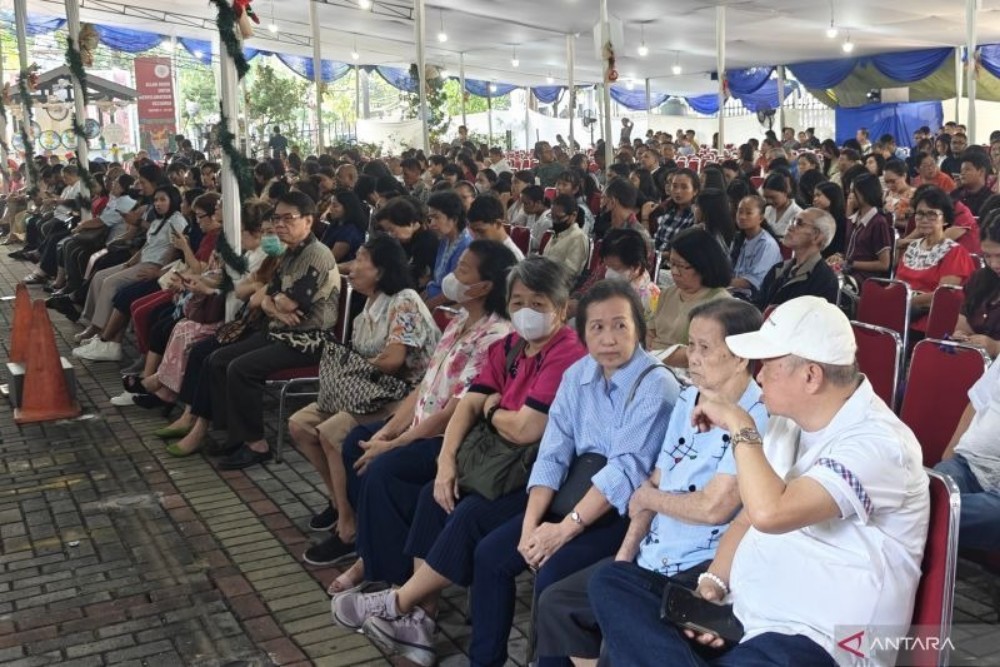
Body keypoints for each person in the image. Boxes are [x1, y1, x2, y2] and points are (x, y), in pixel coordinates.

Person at [593, 296, 930, 667]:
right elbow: (746, 519)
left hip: (815, 640)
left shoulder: (880, 444)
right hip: (745, 616)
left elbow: (771, 512)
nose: (759, 375)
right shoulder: (789, 423)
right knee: (613, 583)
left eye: (769, 365)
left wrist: (740, 425)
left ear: (811, 376)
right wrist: (713, 587)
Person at [331, 257, 586, 665]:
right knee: (435, 493)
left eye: (538, 304)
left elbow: (525, 430)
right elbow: (465, 406)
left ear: (560, 307)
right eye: (518, 301)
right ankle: (419, 620)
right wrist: (446, 463)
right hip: (493, 463)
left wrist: (489, 411)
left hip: (536, 473)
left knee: (470, 518)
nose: (526, 312)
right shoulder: (509, 347)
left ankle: (400, 603)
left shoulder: (566, 354)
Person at [537, 299, 768, 665]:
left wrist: (647, 498)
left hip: (700, 566)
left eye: (704, 348)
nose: (692, 357)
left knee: (621, 632)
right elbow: (657, 478)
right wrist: (625, 556)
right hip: (652, 554)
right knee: (557, 602)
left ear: (740, 357)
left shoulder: (757, 418)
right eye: (690, 345)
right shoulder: (689, 398)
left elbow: (714, 507)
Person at [327, 240, 519, 593]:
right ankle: (374, 555)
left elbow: (456, 410)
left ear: (484, 286)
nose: (451, 276)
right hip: (422, 425)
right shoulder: (459, 320)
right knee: (357, 443)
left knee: (386, 468)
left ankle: (391, 575)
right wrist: (389, 431)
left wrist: (397, 443)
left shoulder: (497, 335)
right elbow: (426, 386)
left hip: (452, 440)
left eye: (462, 270)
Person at [290, 235, 441, 565]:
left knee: (331, 433)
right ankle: (339, 501)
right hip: (369, 390)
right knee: (300, 425)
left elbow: (393, 361)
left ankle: (348, 529)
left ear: (382, 270)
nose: (352, 267)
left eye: (361, 260)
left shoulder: (404, 301)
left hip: (402, 396)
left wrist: (349, 367)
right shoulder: (367, 307)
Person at [209, 191, 340, 470]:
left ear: (308, 220)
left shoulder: (315, 254)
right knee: (218, 359)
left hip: (309, 341)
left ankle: (257, 445)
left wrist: (275, 300)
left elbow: (292, 302)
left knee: (241, 368)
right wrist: (273, 303)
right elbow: (268, 296)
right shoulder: (289, 253)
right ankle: (236, 435)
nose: (280, 225)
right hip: (282, 333)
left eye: (287, 219)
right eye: (276, 218)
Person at [70, 184, 187, 361]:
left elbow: (174, 250)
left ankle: (100, 330)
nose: (158, 203)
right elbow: (148, 244)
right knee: (99, 276)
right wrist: (130, 261)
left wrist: (159, 270)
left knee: (110, 283)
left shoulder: (177, 220)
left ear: (174, 201)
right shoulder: (158, 220)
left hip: (153, 266)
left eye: (163, 199)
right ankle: (93, 324)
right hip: (142, 261)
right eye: (156, 200)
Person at [935, 345, 1000, 548]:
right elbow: (976, 402)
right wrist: (951, 451)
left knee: (931, 508)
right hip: (968, 464)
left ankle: (910, 519)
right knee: (938, 485)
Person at [647, 228, 733, 367]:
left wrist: (659, 358)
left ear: (702, 266)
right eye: (672, 264)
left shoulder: (720, 304)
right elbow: (650, 331)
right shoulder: (667, 293)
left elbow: (707, 351)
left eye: (681, 266)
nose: (674, 272)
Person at [895, 186, 976, 331]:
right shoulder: (912, 247)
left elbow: (942, 296)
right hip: (901, 313)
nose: (924, 219)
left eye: (932, 214)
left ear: (945, 219)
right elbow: (896, 285)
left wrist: (905, 302)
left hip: (931, 320)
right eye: (920, 214)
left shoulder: (955, 252)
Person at [757, 208, 840, 309]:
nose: (790, 227)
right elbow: (758, 307)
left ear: (816, 236)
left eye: (799, 223)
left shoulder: (825, 280)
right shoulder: (778, 269)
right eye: (792, 221)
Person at [830, 173, 893, 286]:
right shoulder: (854, 219)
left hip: (866, 278)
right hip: (849, 272)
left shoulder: (878, 222)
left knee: (831, 283)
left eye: (854, 191)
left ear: (866, 193)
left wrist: (850, 263)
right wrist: (840, 257)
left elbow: (884, 264)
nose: (850, 195)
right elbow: (851, 252)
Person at [954, 215, 1000, 355]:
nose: (994, 265)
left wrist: (995, 347)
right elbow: (963, 322)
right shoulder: (979, 279)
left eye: (999, 256)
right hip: (975, 363)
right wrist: (961, 337)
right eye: (987, 256)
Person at [422, 190, 473, 308]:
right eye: (430, 219)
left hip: (448, 307)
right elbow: (436, 281)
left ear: (454, 219)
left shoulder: (467, 247)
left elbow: (454, 293)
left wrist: (425, 307)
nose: (432, 224)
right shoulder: (445, 240)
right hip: (433, 299)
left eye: (436, 218)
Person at [375, 197, 438, 290]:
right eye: (387, 231)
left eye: (391, 230)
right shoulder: (404, 241)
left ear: (409, 222)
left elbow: (417, 279)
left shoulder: (427, 243)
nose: (390, 235)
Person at [729, 194, 782, 301]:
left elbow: (751, 282)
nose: (742, 216)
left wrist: (719, 282)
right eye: (740, 211)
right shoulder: (739, 238)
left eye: (749, 213)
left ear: (761, 218)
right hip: (734, 292)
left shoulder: (767, 244)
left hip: (753, 299)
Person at [601, 228, 660, 322]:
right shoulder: (616, 285)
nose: (609, 272)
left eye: (615, 268)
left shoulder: (648, 297)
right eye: (608, 266)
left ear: (636, 266)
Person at [543, 194, 590, 282]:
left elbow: (569, 273)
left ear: (573, 215)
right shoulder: (557, 233)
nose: (555, 221)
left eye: (559, 218)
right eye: (552, 217)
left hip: (560, 287)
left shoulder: (578, 237)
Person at [653, 168, 699, 253]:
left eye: (684, 187)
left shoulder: (695, 216)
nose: (677, 191)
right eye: (674, 186)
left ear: (695, 191)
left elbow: (687, 252)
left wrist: (660, 255)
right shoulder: (668, 212)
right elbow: (657, 241)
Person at [467, 195, 525, 260]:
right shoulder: (482, 249)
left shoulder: (513, 257)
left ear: (498, 224)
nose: (475, 237)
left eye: (481, 231)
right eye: (473, 231)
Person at [952, 150, 992, 218]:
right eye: (961, 170)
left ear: (981, 171)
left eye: (967, 169)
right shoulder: (954, 195)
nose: (962, 173)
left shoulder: (992, 200)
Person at [761, 172, 802, 237]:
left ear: (785, 193)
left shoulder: (798, 214)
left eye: (773, 197)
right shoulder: (767, 210)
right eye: (766, 197)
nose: (769, 201)